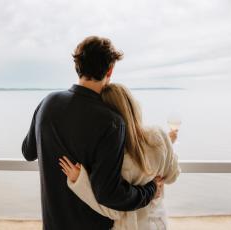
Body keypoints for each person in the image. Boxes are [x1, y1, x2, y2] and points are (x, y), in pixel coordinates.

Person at [21, 36, 162, 230]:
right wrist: (150, 190)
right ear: (110, 70)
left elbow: (28, 152)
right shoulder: (112, 122)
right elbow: (109, 194)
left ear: (77, 67)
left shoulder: (48, 103)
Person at [59, 83, 181, 230]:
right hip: (157, 222)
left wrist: (80, 181)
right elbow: (172, 176)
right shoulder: (159, 136)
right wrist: (168, 145)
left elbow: (114, 211)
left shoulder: (114, 156)